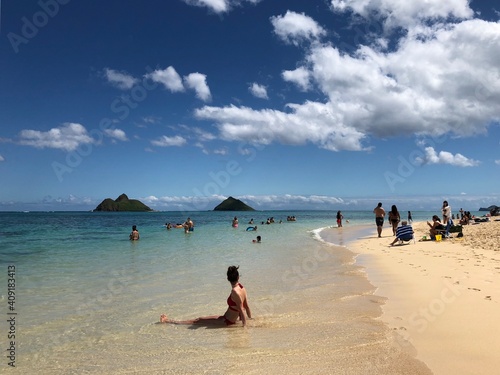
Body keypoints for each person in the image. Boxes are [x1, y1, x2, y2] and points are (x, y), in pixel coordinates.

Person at [159, 266, 252, 327]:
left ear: (227, 278)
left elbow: (240, 309)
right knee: (199, 321)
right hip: (227, 319)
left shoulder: (235, 291)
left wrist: (244, 327)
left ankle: (169, 321)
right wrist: (250, 319)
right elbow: (246, 307)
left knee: (198, 320)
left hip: (226, 321)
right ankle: (169, 321)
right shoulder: (242, 288)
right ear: (238, 277)